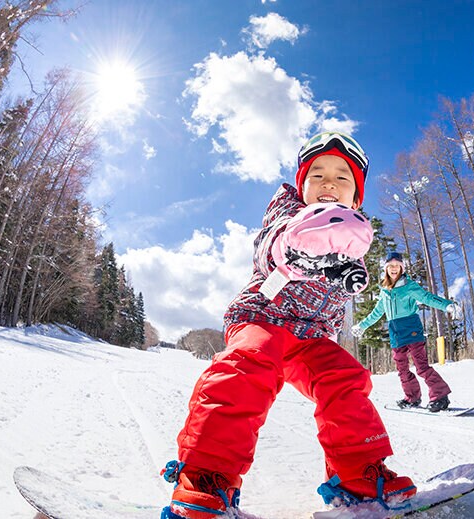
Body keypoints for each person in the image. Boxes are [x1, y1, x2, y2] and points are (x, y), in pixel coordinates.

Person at [161, 132, 417, 519]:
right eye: (317, 175)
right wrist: (292, 250)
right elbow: (268, 245)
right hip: (261, 319)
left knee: (345, 378)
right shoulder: (287, 213)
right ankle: (206, 477)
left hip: (309, 338)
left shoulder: (355, 244)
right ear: (302, 186)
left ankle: (358, 476)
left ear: (356, 198)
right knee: (247, 367)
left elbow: (349, 286)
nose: (328, 182)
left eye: (341, 178)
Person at [351, 251, 461, 413]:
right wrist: (362, 325)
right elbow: (377, 312)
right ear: (386, 269)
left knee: (421, 366)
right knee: (402, 369)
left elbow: (428, 297)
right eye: (391, 266)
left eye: (397, 266)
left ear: (402, 268)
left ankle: (440, 396)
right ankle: (412, 397)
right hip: (395, 332)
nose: (394, 269)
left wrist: (447, 305)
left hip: (411, 328)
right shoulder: (384, 291)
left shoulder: (409, 286)